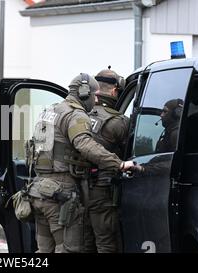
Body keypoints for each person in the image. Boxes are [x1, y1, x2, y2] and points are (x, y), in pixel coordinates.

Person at [25, 73, 140, 253]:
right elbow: (85, 144)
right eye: (94, 95)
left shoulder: (50, 110)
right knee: (69, 250)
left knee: (44, 250)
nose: (96, 100)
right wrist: (119, 164)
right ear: (84, 93)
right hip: (60, 193)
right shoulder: (75, 115)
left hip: (38, 190)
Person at [84, 67, 130, 253]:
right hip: (102, 192)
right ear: (113, 91)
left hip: (76, 189)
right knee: (106, 244)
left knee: (84, 243)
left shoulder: (78, 115)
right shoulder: (119, 122)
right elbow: (130, 156)